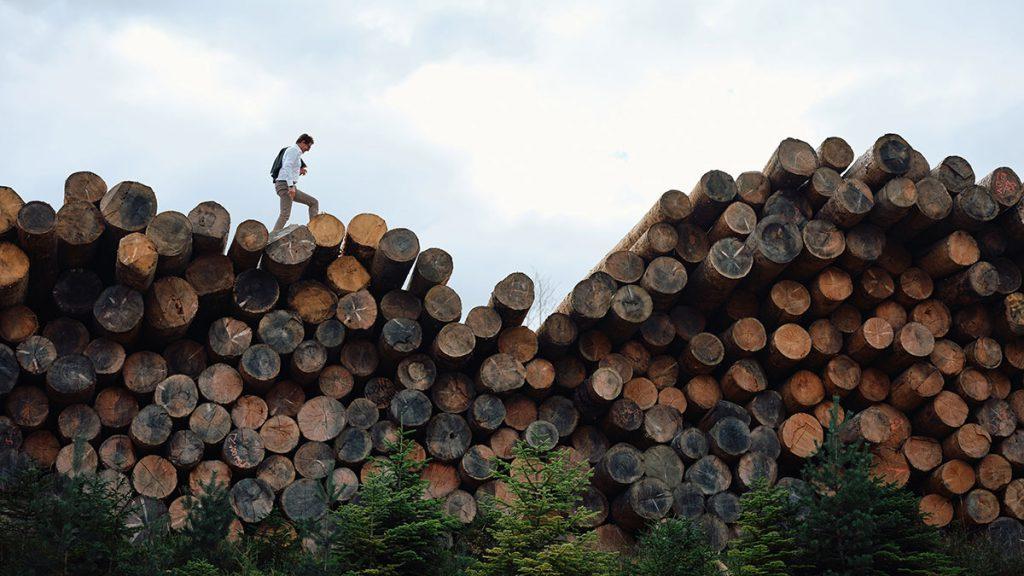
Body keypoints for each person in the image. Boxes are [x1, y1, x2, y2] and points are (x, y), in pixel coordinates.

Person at [271, 133, 319, 232]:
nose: (308, 149)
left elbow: (289, 167)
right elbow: (287, 167)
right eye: (308, 146)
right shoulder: (293, 150)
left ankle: (314, 230)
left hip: (286, 185)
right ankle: (271, 239)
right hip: (285, 185)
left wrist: (299, 171)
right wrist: (291, 186)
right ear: (303, 142)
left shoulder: (295, 152)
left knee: (313, 202)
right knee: (285, 215)